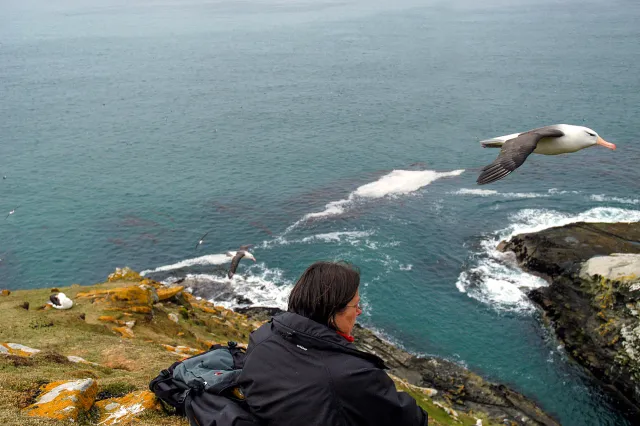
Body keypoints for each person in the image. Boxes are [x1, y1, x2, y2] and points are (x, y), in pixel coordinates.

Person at [238, 261, 428, 426]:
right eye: (355, 305)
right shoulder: (352, 376)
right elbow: (412, 420)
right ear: (332, 312)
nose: (359, 312)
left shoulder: (262, 337)